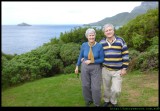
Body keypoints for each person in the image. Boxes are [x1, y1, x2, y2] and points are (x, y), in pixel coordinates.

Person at [99, 23, 129, 107]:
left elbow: (125, 54)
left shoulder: (120, 40)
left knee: (116, 89)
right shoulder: (101, 42)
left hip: (118, 70)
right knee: (106, 88)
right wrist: (85, 58)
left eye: (110, 30)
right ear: (104, 33)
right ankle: (107, 100)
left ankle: (113, 100)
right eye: (106, 31)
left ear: (113, 30)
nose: (108, 32)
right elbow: (96, 54)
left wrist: (124, 68)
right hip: (105, 69)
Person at [74, 28, 104, 107]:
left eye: (92, 35)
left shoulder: (99, 46)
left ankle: (97, 103)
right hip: (85, 67)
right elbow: (81, 56)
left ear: (95, 35)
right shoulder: (84, 45)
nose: (91, 37)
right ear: (87, 36)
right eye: (89, 35)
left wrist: (92, 61)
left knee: (96, 87)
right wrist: (77, 66)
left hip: (96, 67)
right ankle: (88, 100)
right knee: (85, 85)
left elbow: (102, 59)